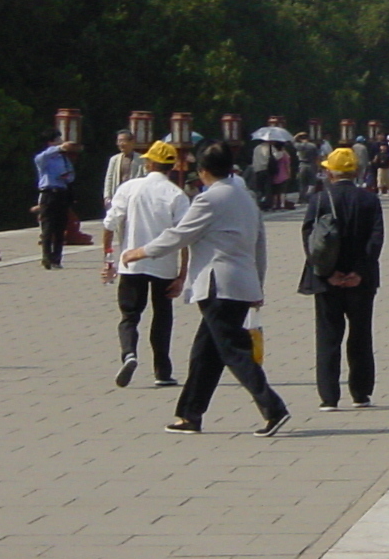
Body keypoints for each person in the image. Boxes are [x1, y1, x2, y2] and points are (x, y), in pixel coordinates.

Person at [124, 141, 290, 436]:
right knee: (205, 353)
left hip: (218, 284)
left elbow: (180, 234)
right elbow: (259, 243)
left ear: (202, 171)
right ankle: (190, 415)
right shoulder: (244, 195)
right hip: (241, 282)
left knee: (233, 350)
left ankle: (273, 407)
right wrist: (257, 284)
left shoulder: (209, 199)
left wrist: (142, 252)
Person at [298, 146, 385, 410]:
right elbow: (376, 239)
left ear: (329, 172)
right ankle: (361, 393)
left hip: (327, 280)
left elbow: (309, 239)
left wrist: (328, 272)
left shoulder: (319, 200)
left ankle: (328, 396)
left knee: (328, 336)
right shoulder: (369, 200)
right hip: (362, 280)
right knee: (360, 335)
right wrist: (358, 271)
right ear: (357, 172)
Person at [101, 139, 190, 388]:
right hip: (165, 264)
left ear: (149, 163)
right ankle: (162, 370)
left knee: (129, 315)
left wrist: (108, 259)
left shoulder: (130, 188)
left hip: (132, 262)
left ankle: (129, 354)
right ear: (171, 166)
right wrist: (182, 274)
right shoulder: (177, 194)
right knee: (162, 316)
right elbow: (185, 236)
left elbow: (109, 224)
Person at [33, 131, 78, 270]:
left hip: (62, 193)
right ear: (50, 142)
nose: (61, 141)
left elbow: (71, 175)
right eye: (58, 139)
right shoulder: (44, 158)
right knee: (48, 227)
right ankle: (46, 257)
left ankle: (56, 258)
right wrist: (60, 148)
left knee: (60, 227)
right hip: (48, 193)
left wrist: (67, 177)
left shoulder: (64, 159)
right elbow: (41, 157)